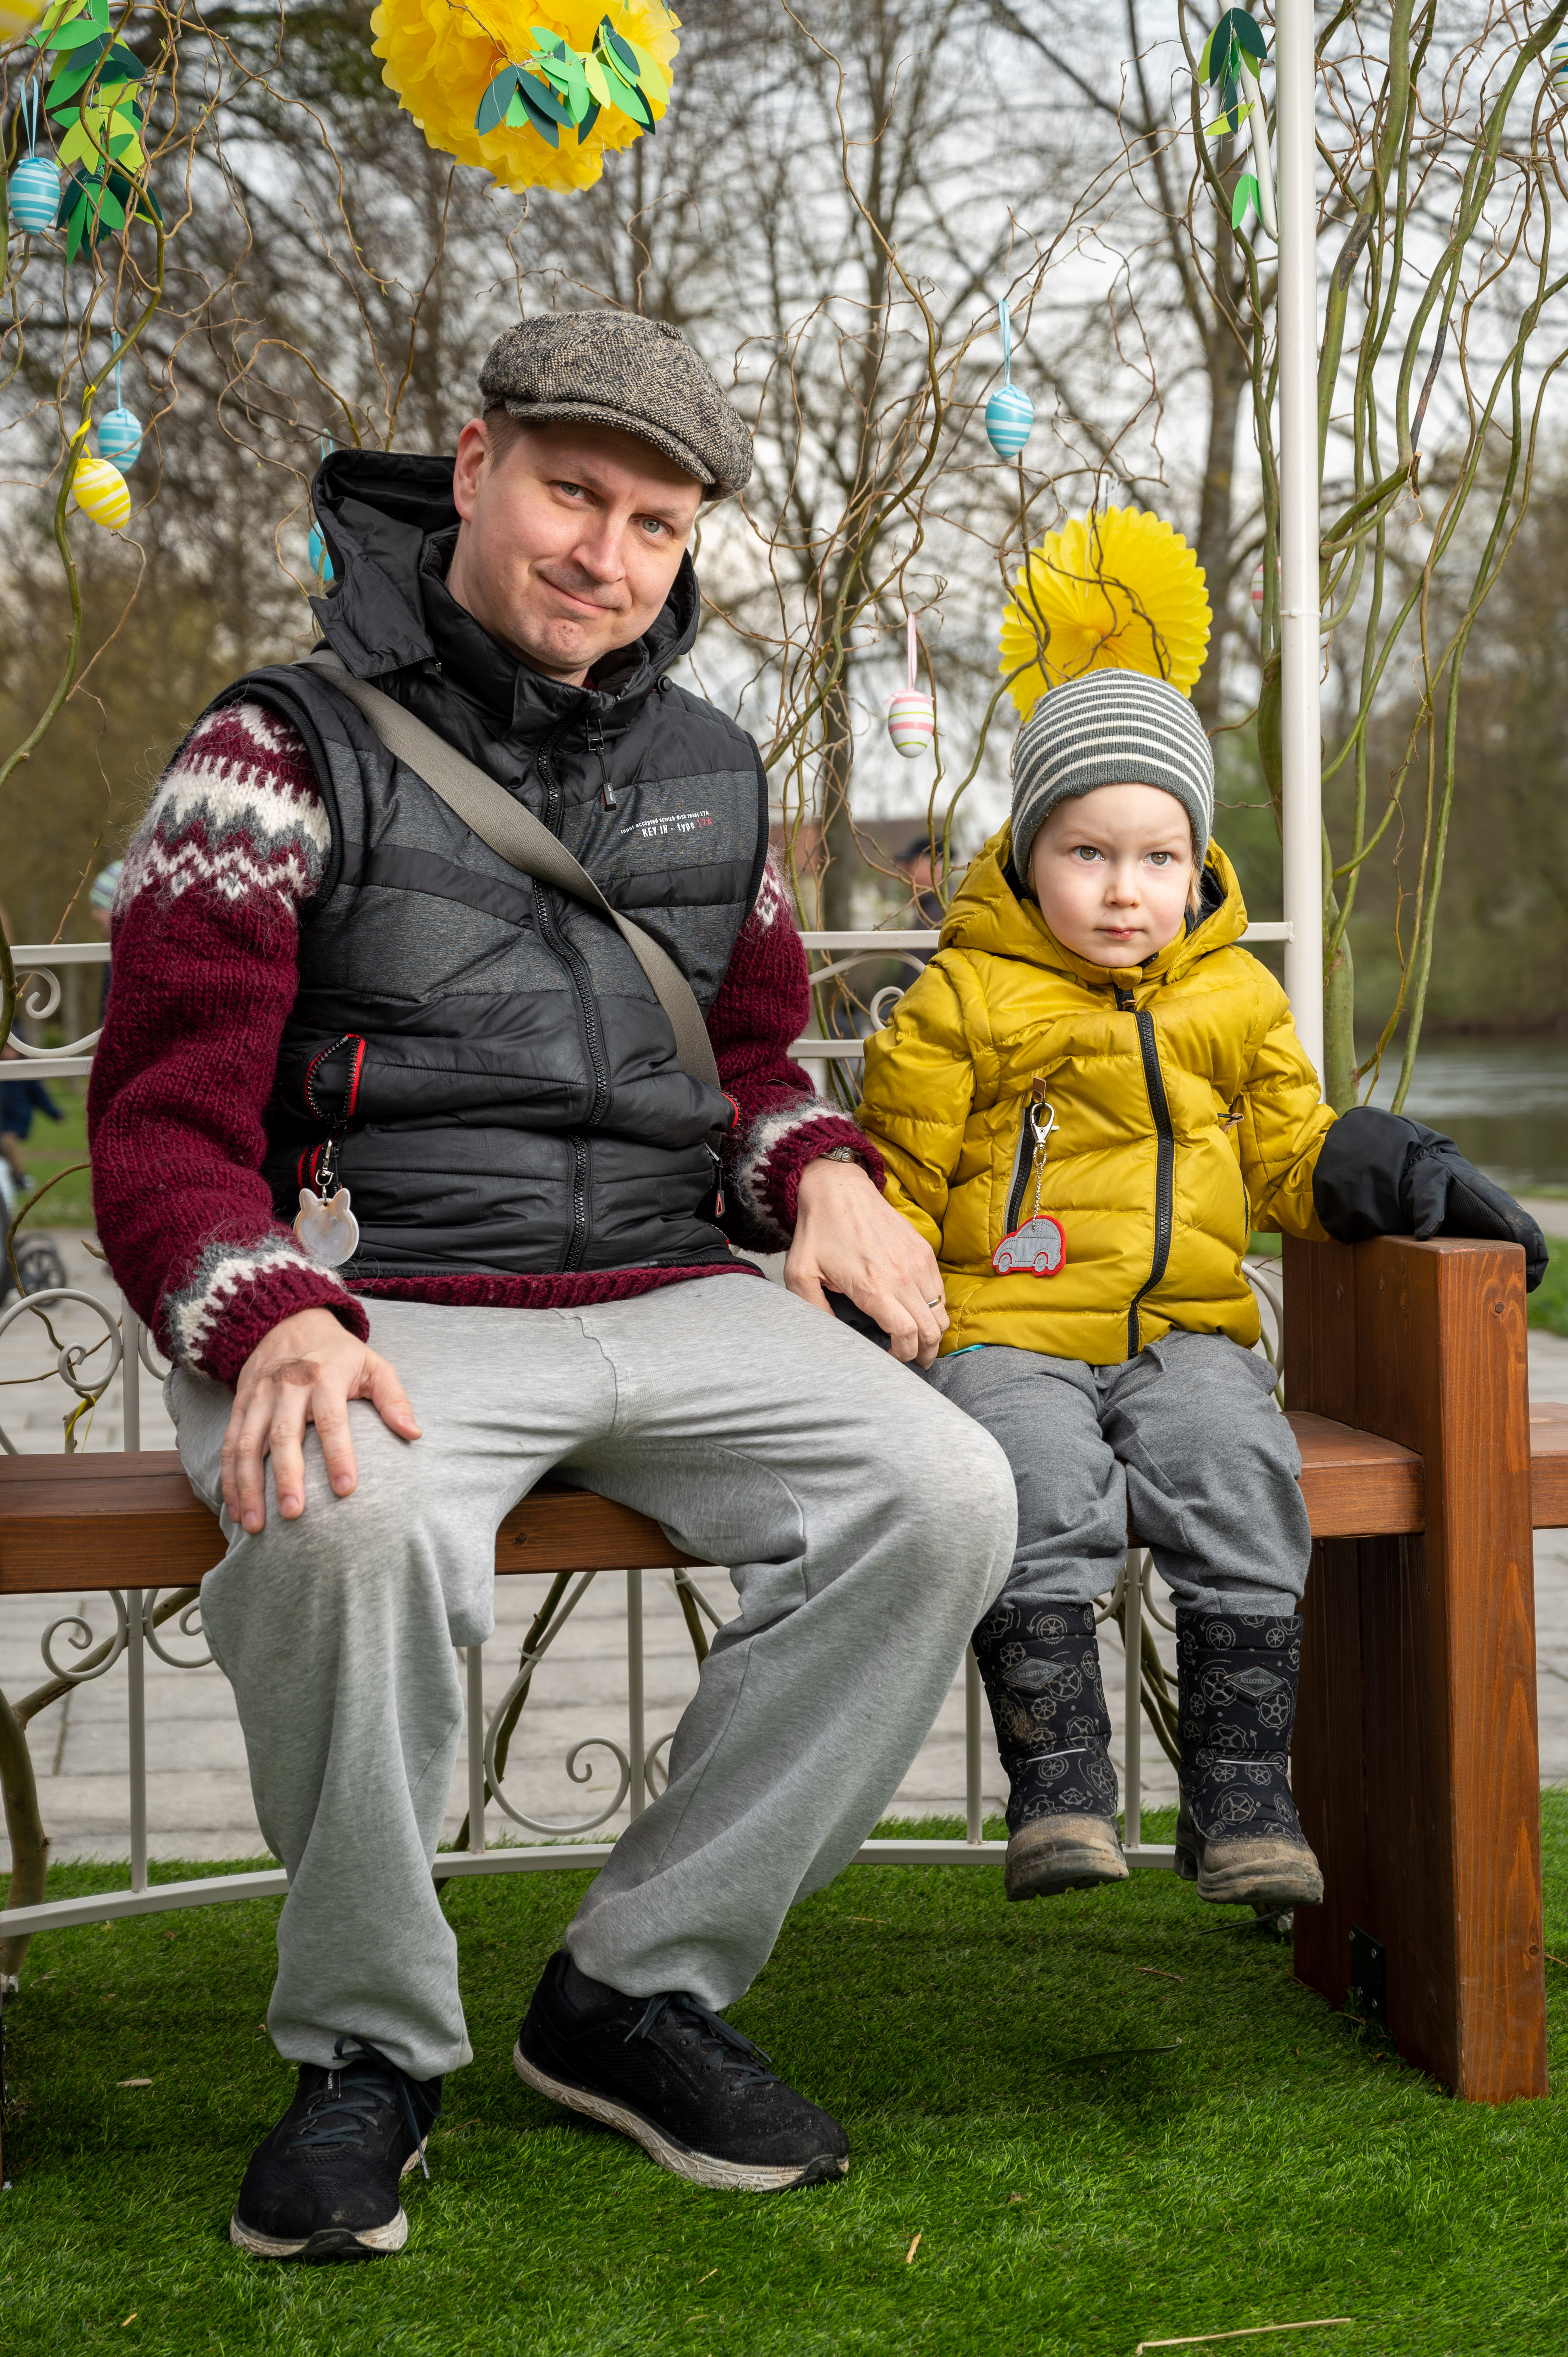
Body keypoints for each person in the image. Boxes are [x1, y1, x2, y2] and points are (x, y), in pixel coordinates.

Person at [88, 313, 1017, 2262]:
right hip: (384, 1290)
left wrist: (818, 1168)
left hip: (672, 1280)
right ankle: (366, 2051)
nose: (605, 555)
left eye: (655, 525)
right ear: (473, 464)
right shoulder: (274, 746)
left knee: (944, 1492)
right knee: (342, 1522)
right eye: (572, 494)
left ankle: (632, 1992)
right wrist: (268, 1309)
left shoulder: (716, 767)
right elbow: (165, 1124)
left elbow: (747, 1066)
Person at [855, 667, 1545, 1912]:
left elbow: (1287, 1153)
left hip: (1186, 1334)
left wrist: (1397, 1170)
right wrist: (878, 1310)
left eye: (1159, 857)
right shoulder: (964, 998)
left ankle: (1242, 1799)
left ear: (1197, 864)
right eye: (1088, 853)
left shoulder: (1234, 998)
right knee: (1035, 1478)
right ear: (1027, 854)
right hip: (1007, 1332)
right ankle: (1061, 1786)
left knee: (1238, 1465)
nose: (1126, 889)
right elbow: (899, 1176)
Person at [0, 1044, 63, 1191]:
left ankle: (20, 1178)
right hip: (2, 1118)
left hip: (18, 1118)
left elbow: (40, 1097)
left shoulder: (26, 1073)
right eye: (6, 1049)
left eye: (11, 1049)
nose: (8, 1052)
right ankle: (9, 1180)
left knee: (7, 1143)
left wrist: (55, 1113)